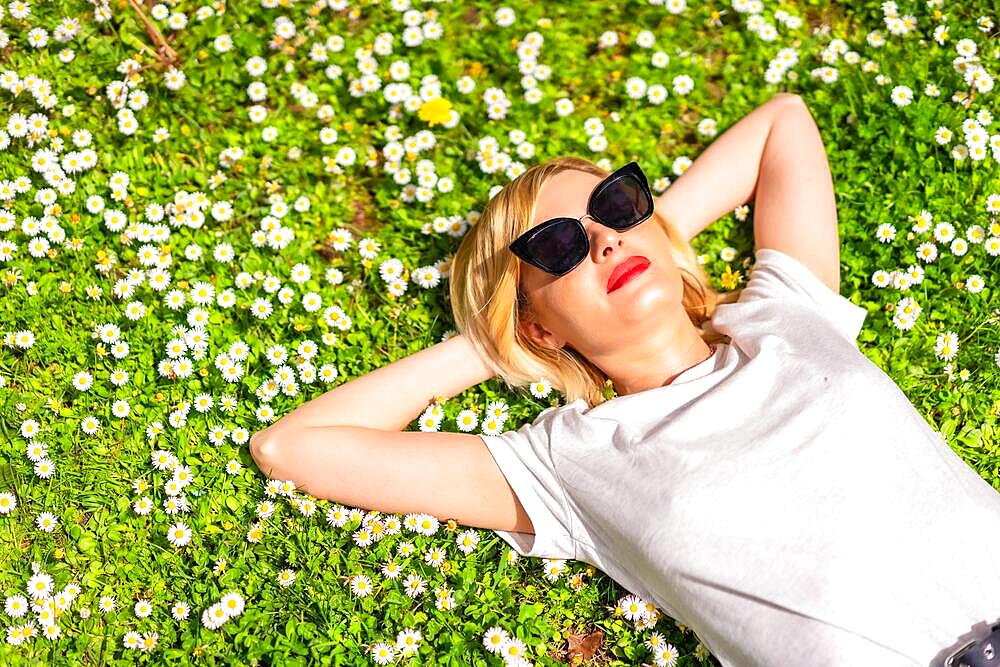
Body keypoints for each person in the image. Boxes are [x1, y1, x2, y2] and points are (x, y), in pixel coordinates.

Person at [250, 93, 1000, 666]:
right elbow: (296, 446)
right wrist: (493, 343)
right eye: (557, 246)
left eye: (615, 205)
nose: (605, 237)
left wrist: (650, 237)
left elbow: (784, 122)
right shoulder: (569, 463)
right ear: (539, 324)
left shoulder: (782, 315)